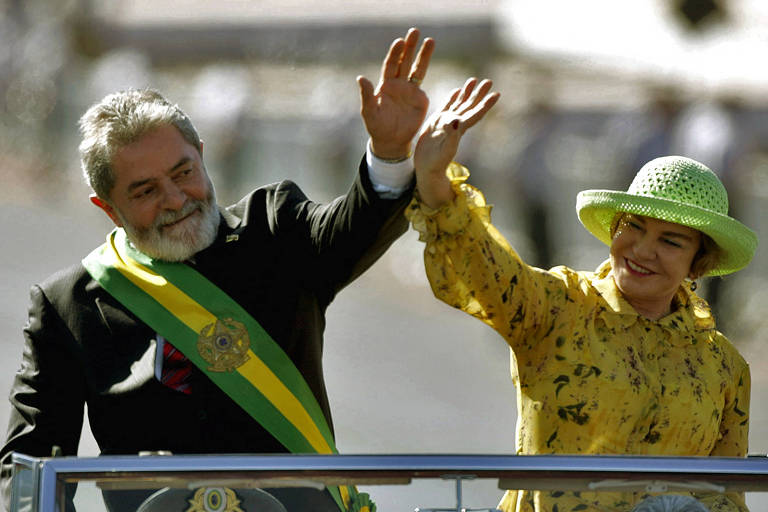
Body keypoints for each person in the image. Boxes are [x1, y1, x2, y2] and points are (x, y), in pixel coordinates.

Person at [0, 28, 435, 512]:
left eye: (183, 173)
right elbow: (28, 468)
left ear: (203, 156)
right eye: (145, 191)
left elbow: (353, 230)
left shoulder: (275, 228)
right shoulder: (69, 304)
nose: (175, 199)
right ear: (108, 208)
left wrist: (390, 153)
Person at [406, 78, 758, 511]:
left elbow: (724, 496)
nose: (643, 250)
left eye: (670, 241)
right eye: (634, 227)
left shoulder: (724, 368)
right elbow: (483, 269)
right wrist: (434, 179)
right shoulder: (558, 310)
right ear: (614, 229)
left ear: (698, 264)